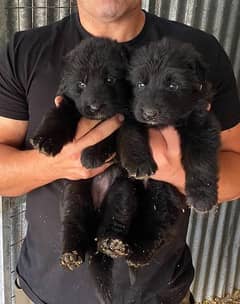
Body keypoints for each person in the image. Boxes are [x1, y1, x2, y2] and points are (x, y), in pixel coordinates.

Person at [0, 1, 240, 303]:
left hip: (162, 293)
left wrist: (175, 168)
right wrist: (59, 163)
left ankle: (137, 242)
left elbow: (236, 168)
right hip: (42, 291)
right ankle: (78, 242)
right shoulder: (25, 50)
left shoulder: (199, 52)